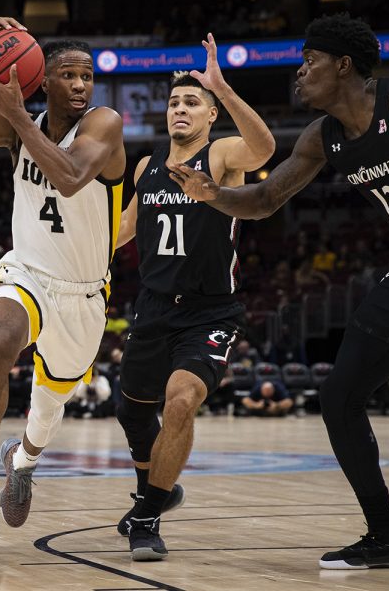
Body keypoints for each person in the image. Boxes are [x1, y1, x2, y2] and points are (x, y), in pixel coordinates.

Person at [171, 13, 389, 569]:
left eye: (308, 62)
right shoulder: (323, 137)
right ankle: (388, 536)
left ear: (343, 65)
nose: (298, 73)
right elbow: (265, 202)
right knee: (339, 396)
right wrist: (210, 193)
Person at [0, 16, 126, 530]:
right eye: (68, 75)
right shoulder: (19, 124)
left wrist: (18, 119)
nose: (80, 85)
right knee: (0, 340)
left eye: (86, 76)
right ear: (41, 79)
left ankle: (22, 463)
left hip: (84, 294)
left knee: (49, 405)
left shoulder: (104, 124)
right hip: (28, 271)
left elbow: (67, 177)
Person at [113, 34, 275, 560]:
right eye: (174, 102)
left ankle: (148, 515)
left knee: (182, 400)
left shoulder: (223, 153)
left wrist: (223, 88)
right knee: (133, 412)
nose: (180, 109)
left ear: (209, 116)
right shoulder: (146, 168)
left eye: (191, 102)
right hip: (153, 308)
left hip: (210, 310)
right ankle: (157, 487)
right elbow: (121, 233)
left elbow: (266, 148)